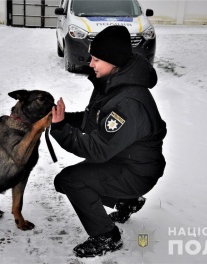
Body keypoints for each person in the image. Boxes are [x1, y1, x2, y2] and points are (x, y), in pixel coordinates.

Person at [50, 25, 166, 258]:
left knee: (70, 180)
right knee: (64, 182)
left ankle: (106, 236)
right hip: (125, 162)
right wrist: (63, 119)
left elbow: (97, 149)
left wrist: (61, 129)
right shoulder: (113, 83)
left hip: (136, 172)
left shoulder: (129, 101)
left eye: (96, 59)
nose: (90, 64)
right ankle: (127, 202)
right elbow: (95, 120)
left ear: (114, 62)